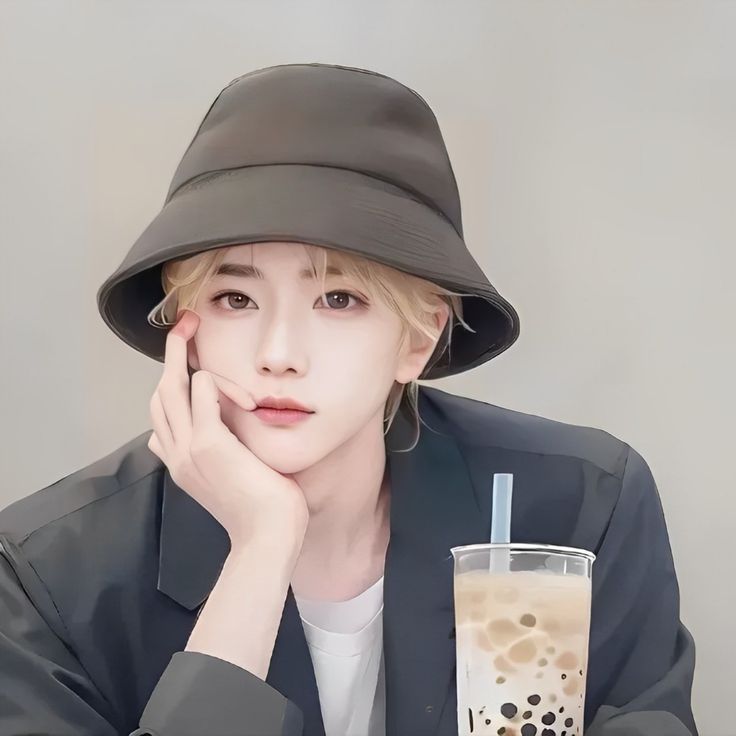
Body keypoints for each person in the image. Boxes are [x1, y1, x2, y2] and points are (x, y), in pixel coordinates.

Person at [0, 63, 697, 736]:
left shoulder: (580, 507)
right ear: (186, 327)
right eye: (235, 298)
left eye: (339, 299)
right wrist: (261, 549)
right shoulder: (51, 578)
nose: (279, 353)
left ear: (417, 340)